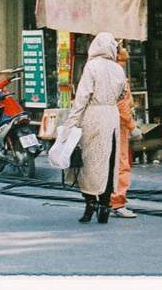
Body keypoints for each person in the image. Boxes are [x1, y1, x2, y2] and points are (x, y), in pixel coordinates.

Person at [60, 33, 129, 224]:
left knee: (88, 162)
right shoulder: (118, 69)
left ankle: (90, 205)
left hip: (93, 116)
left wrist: (70, 123)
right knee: (109, 161)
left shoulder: (91, 67)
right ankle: (106, 205)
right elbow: (123, 94)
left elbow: (82, 97)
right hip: (111, 116)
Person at [108, 46, 137, 219]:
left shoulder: (102, 69)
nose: (127, 49)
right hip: (119, 124)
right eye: (123, 47)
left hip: (107, 121)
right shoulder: (117, 72)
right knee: (121, 163)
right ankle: (117, 202)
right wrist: (132, 125)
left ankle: (105, 199)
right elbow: (122, 103)